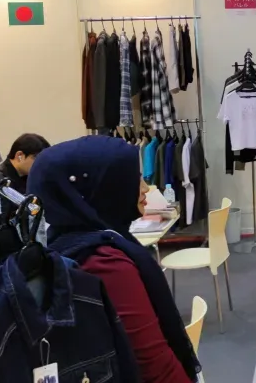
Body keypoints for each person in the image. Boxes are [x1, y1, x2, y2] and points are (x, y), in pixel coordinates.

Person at [29, 136, 200, 383]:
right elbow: (155, 367)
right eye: (132, 179)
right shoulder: (104, 263)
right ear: (103, 188)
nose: (145, 188)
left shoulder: (61, 242)